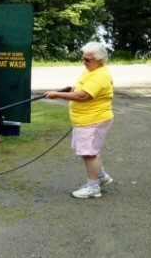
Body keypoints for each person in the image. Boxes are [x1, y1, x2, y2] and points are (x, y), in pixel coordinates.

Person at [45, 42, 114, 198]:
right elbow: (79, 89)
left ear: (99, 60)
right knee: (89, 152)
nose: (84, 62)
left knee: (89, 153)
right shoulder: (90, 70)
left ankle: (93, 188)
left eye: (87, 60)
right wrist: (67, 90)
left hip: (93, 121)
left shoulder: (101, 75)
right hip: (85, 120)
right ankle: (100, 176)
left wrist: (57, 95)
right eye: (83, 58)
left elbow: (83, 95)